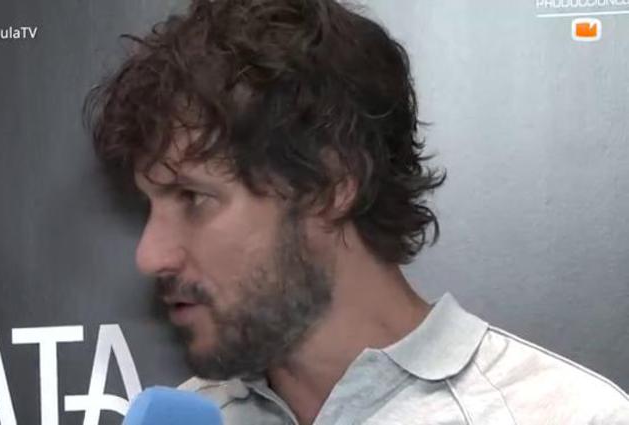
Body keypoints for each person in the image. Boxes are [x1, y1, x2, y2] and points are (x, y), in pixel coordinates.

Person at [85, 0, 629, 423]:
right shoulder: (192, 417)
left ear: (330, 185)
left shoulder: (564, 416)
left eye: (193, 198)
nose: (150, 255)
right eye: (150, 205)